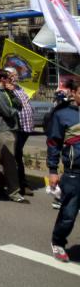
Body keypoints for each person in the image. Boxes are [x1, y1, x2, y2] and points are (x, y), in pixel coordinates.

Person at [47, 78, 80, 262]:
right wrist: (52, 170)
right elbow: (53, 143)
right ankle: (58, 241)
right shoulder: (62, 114)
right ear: (73, 93)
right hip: (73, 173)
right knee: (68, 214)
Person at [0, 71, 27, 203]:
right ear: (2, 79)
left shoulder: (7, 92)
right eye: (9, 78)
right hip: (3, 129)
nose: (11, 81)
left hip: (12, 128)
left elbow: (19, 104)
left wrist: (12, 93)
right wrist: (16, 110)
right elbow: (8, 112)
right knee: (10, 162)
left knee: (4, 160)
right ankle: (14, 192)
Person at [5, 68, 35, 196]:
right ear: (8, 77)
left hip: (26, 127)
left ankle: (15, 182)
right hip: (17, 128)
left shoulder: (19, 88)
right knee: (16, 155)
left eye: (16, 74)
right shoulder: (7, 90)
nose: (16, 76)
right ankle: (21, 184)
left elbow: (25, 103)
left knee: (17, 154)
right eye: (13, 75)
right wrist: (10, 91)